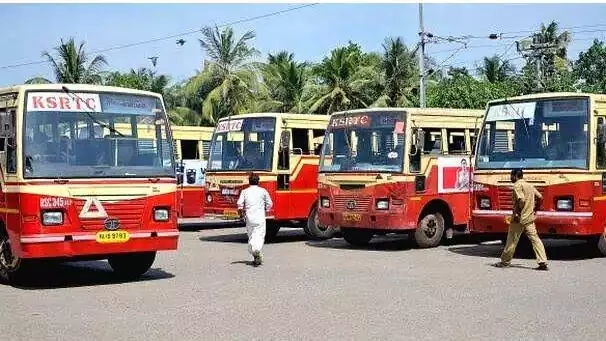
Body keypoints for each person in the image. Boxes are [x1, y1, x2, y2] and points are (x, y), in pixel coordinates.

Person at [494, 169, 549, 271]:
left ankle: (505, 261)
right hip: (529, 218)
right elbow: (540, 197)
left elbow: (521, 199)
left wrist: (518, 212)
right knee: (535, 239)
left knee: (512, 240)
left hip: (519, 218)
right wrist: (535, 209)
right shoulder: (529, 185)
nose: (510, 178)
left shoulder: (517, 186)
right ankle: (543, 262)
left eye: (511, 176)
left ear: (515, 176)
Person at [237, 173, 273, 266]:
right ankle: (256, 251)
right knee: (259, 236)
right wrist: (266, 209)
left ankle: (254, 253)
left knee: (251, 236)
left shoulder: (244, 191)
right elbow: (269, 203)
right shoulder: (263, 191)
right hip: (260, 217)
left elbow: (240, 206)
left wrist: (241, 216)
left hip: (249, 218)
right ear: (258, 181)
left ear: (249, 182)